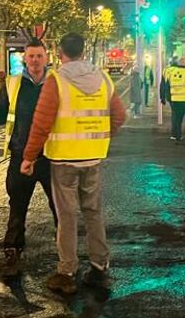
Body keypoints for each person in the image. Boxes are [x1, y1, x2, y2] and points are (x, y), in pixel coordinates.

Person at [21, 32, 126, 295]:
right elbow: (119, 114)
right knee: (93, 212)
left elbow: (42, 122)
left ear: (59, 52)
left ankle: (67, 272)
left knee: (67, 216)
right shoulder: (102, 78)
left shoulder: (56, 80)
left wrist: (29, 156)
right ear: (83, 51)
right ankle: (100, 267)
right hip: (93, 156)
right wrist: (103, 135)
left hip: (64, 160)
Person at [0, 39, 57, 276]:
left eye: (39, 56)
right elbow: (0, 117)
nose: (35, 60)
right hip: (20, 155)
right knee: (17, 205)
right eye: (31, 56)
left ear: (46, 58)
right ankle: (12, 249)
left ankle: (65, 252)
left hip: (50, 156)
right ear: (25, 59)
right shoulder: (13, 84)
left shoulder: (56, 83)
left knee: (59, 206)